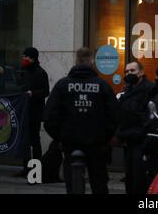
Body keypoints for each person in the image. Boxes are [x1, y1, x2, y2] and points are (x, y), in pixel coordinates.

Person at [44, 47, 120, 194]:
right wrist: (105, 137)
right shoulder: (102, 86)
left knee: (73, 185)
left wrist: (61, 137)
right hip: (96, 144)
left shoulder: (62, 85)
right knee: (99, 184)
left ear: (76, 61)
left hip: (70, 143)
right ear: (92, 61)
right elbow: (115, 115)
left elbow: (49, 116)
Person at [115, 61, 153, 194]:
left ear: (141, 72)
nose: (129, 74)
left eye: (132, 71)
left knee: (139, 179)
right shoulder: (127, 89)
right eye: (126, 71)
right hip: (128, 139)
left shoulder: (148, 89)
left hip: (140, 140)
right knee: (130, 177)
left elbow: (148, 116)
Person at [15, 47, 50, 177]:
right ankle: (26, 168)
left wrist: (32, 93)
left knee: (35, 141)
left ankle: (36, 170)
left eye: (26, 56)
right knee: (25, 140)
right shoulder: (24, 71)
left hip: (35, 112)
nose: (24, 59)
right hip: (24, 111)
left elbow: (46, 91)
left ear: (33, 58)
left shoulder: (40, 73)